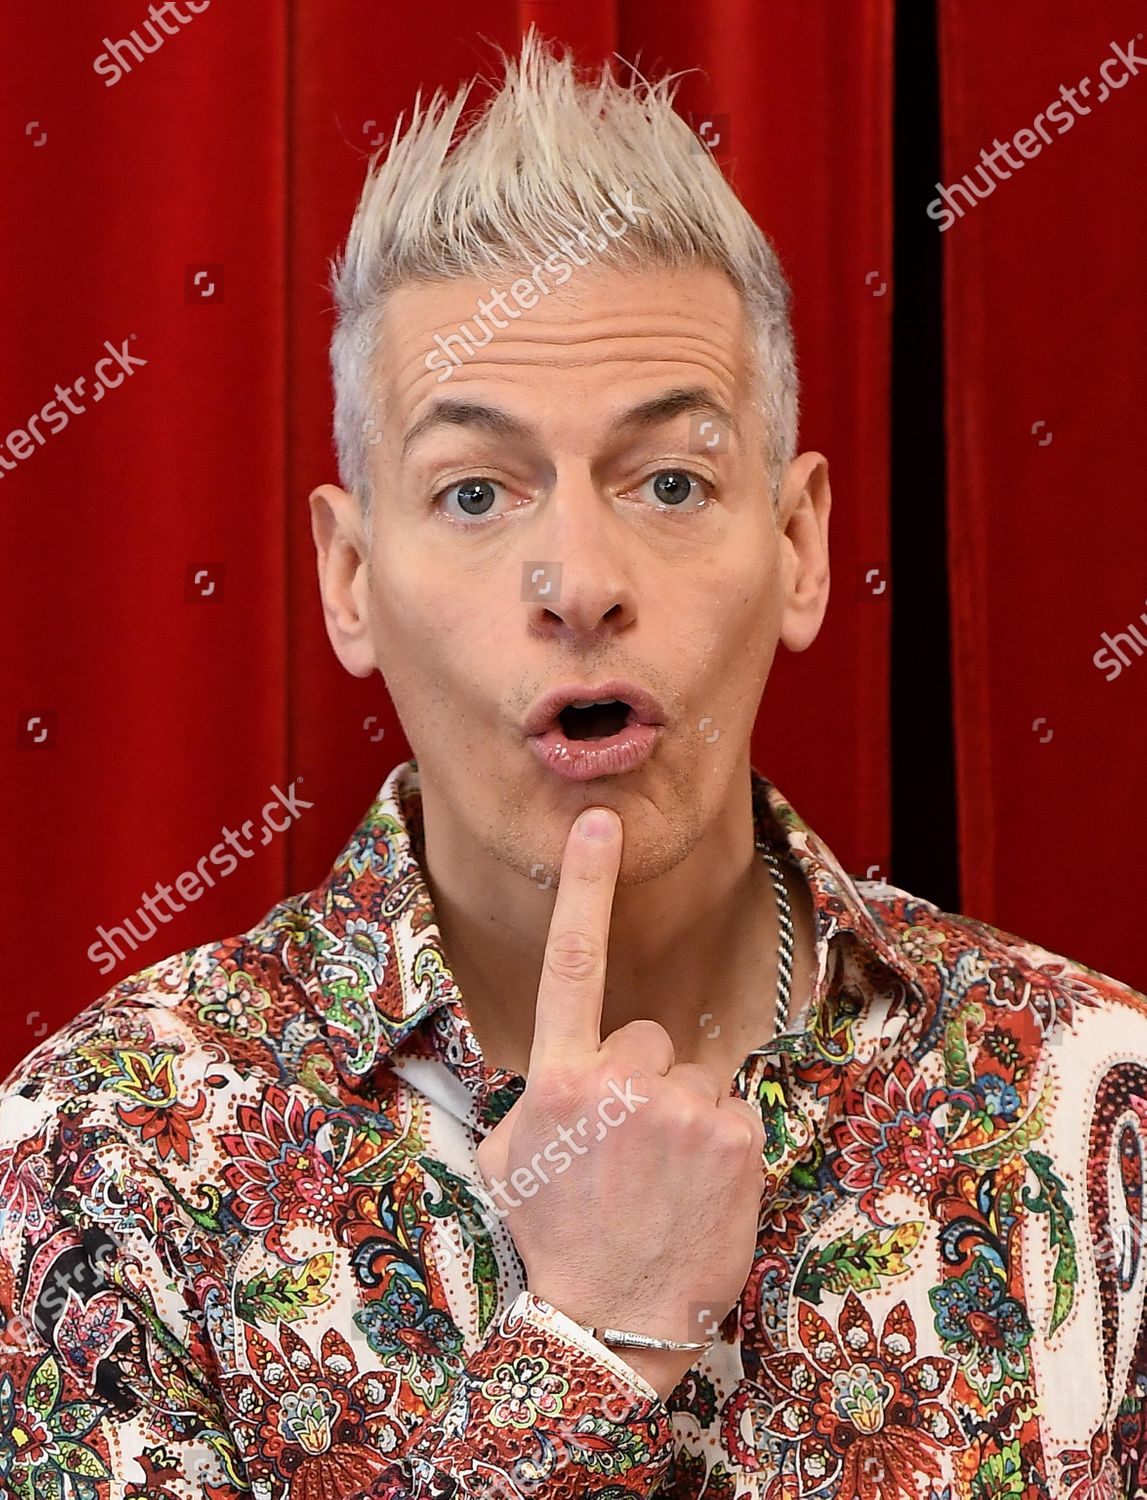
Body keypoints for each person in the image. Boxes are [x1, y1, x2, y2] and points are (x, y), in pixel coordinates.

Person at [2, 28, 1145, 1500]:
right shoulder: (106, 1161)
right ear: (350, 581)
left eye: (669, 482)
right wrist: (591, 1349)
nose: (580, 579)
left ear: (798, 547)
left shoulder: (1092, 1098)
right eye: (476, 491)